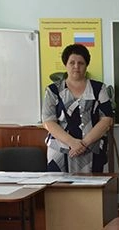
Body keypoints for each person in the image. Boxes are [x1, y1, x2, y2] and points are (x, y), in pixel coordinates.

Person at [42, 43, 114, 172]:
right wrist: (72, 143)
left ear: (86, 65)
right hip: (60, 152)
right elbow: (48, 121)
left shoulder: (99, 89)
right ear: (65, 64)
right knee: (60, 185)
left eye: (81, 63)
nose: (76, 66)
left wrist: (83, 144)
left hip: (92, 149)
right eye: (72, 62)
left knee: (94, 184)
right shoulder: (53, 90)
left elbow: (106, 119)